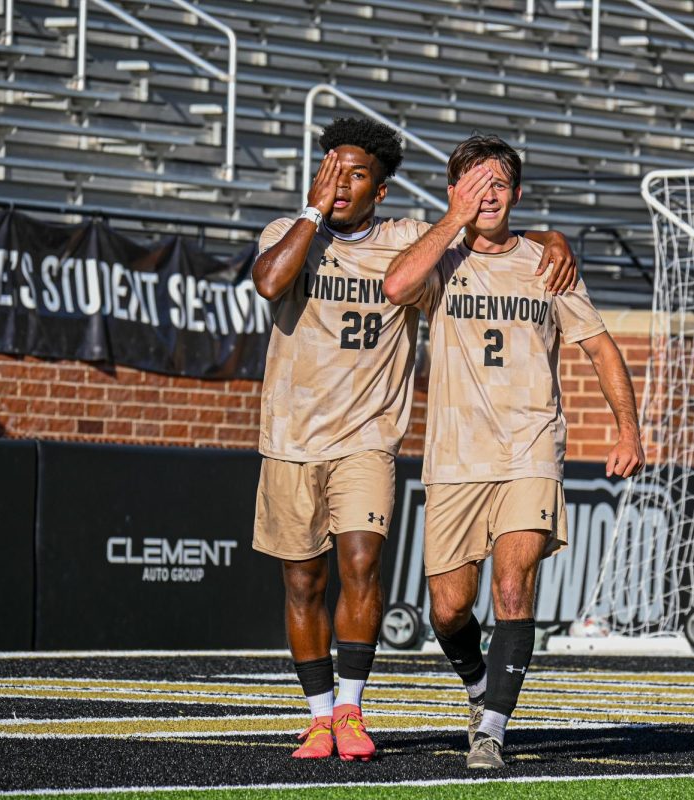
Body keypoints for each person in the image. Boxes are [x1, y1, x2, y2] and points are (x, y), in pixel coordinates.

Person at [251, 118, 578, 761]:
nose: (339, 184)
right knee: (303, 584)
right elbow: (268, 281)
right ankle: (318, 716)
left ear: (381, 189)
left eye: (356, 175)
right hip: (289, 434)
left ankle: (349, 709)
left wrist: (550, 237)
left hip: (370, 436)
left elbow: (483, 232)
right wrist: (312, 212)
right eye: (331, 170)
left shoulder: (407, 239)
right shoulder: (287, 235)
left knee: (362, 564)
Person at [383, 134, 645, 769]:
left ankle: (492, 731)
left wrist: (628, 429)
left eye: (498, 183)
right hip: (453, 457)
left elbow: (601, 348)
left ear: (518, 194)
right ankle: (480, 688)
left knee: (512, 584)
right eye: (474, 183)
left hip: (529, 449)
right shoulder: (439, 256)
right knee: (447, 609)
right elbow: (394, 286)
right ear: (452, 192)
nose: (487, 194)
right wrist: (455, 219)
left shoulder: (548, 264)